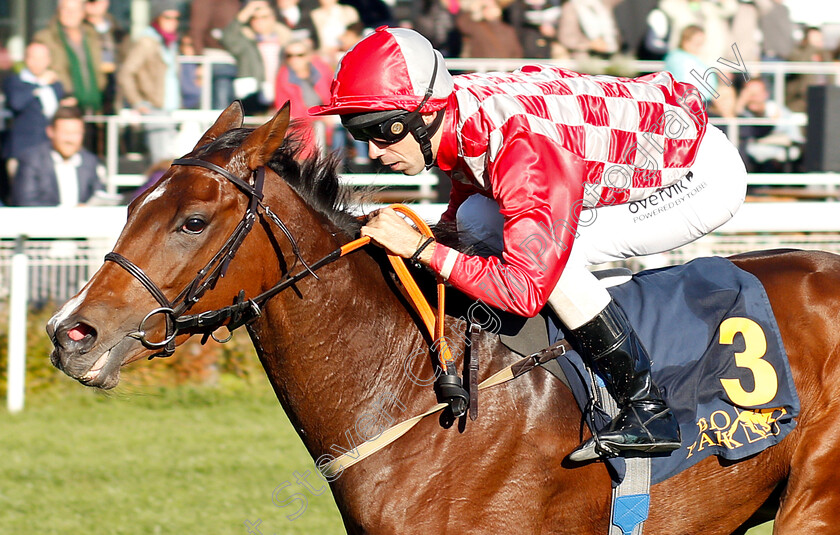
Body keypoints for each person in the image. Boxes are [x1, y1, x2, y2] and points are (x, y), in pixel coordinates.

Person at [309, 27, 747, 460]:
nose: (373, 152)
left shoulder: (521, 146)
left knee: (552, 263)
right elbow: (470, 189)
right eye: (359, 134)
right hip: (621, 151)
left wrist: (422, 250)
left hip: (697, 176)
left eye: (382, 131)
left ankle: (646, 407)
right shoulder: (453, 111)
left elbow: (523, 289)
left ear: (423, 115)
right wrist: (434, 240)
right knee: (474, 221)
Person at [117, 0, 182, 165]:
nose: (172, 23)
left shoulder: (169, 42)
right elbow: (126, 73)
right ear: (157, 18)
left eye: (175, 18)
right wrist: (137, 101)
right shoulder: (147, 42)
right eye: (167, 17)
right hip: (155, 108)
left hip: (170, 109)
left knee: (170, 159)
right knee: (160, 163)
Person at [2, 43, 71, 180]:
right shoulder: (15, 81)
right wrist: (39, 85)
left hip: (49, 150)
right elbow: (17, 103)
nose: (38, 62)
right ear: (26, 59)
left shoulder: (55, 84)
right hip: (22, 150)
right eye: (33, 58)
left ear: (48, 60)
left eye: (42, 58)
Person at [10, 106, 104, 207]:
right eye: (65, 133)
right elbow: (25, 203)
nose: (70, 140)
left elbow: (99, 195)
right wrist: (67, 212)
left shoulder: (90, 161)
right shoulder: (31, 160)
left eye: (76, 133)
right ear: (50, 132)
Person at [33, 0, 105, 114]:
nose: (70, 14)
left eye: (74, 10)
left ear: (82, 12)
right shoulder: (46, 38)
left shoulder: (92, 35)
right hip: (64, 103)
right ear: (58, 11)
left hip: (94, 101)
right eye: (65, 9)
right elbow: (37, 66)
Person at [221, 0, 292, 114]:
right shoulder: (245, 41)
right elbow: (228, 36)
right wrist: (246, 12)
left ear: (273, 18)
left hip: (282, 96)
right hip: (253, 99)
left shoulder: (286, 40)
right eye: (254, 18)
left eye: (264, 17)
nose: (259, 21)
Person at [274, 38, 339, 160]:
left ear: (309, 56)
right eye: (289, 56)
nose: (294, 60)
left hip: (329, 127)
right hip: (302, 133)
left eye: (300, 55)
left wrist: (331, 115)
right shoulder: (283, 78)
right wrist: (321, 117)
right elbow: (288, 113)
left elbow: (335, 95)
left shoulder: (322, 70)